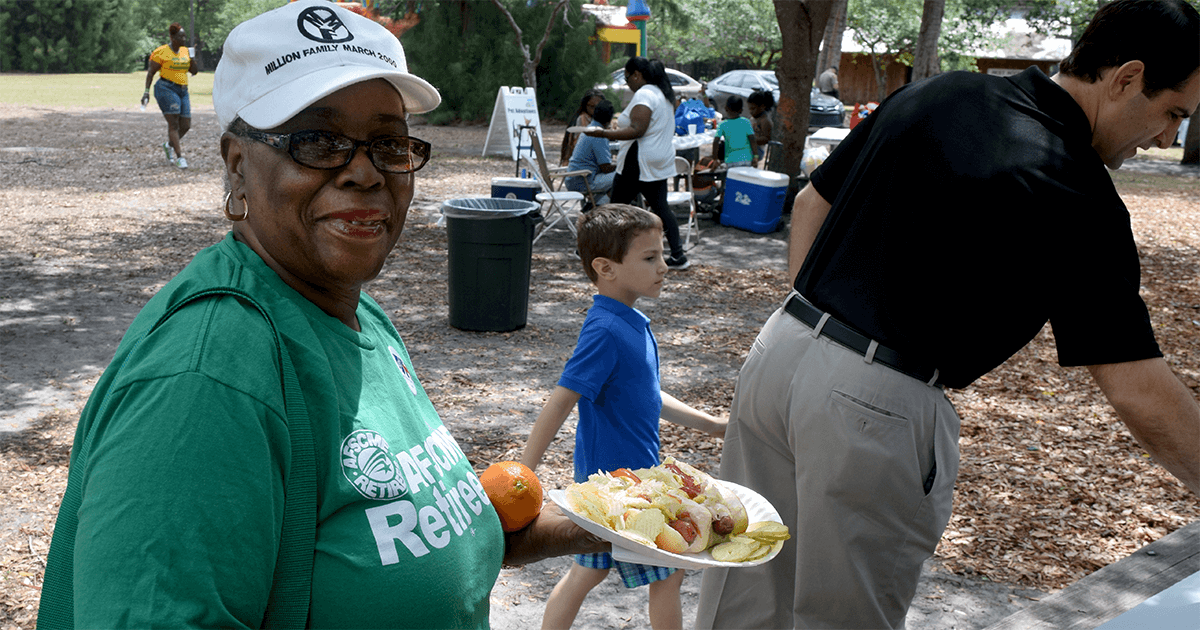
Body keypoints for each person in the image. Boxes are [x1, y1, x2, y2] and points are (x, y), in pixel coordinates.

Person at [37, 2, 604, 628]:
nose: (363, 171)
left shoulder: (358, 317)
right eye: (316, 141)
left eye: (388, 143)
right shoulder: (205, 381)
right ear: (237, 164)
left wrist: (608, 525)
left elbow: (401, 537)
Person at [696, 1, 1200, 629]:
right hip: (874, 403)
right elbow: (1137, 389)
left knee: (742, 601)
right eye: (1172, 113)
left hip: (780, 350)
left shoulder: (938, 92)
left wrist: (821, 337)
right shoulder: (1074, 188)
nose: (1166, 138)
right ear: (1126, 77)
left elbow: (809, 204)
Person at [521, 203, 727, 630]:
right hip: (618, 491)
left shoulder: (631, 321)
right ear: (605, 267)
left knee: (588, 572)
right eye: (650, 258)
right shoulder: (604, 330)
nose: (664, 266)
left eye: (662, 254)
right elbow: (561, 400)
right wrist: (523, 472)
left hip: (633, 482)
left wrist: (713, 424)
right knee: (669, 575)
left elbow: (647, 395)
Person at [583, 57, 691, 270]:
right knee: (660, 207)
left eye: (627, 78)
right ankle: (678, 255)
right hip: (657, 160)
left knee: (615, 207)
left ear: (637, 75)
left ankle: (601, 251)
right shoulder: (663, 94)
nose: (627, 84)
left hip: (638, 160)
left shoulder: (645, 94)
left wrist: (603, 133)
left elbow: (637, 129)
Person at [141, 22, 199, 169]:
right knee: (173, 124)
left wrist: (192, 59)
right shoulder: (161, 52)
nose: (184, 39)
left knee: (185, 125)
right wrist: (146, 92)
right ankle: (180, 157)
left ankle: (169, 145)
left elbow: (194, 72)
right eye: (181, 36)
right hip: (166, 88)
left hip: (183, 90)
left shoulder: (186, 51)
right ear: (173, 38)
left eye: (185, 36)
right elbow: (150, 73)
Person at [565, 99, 617, 206]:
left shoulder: (590, 128)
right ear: (609, 119)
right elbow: (606, 167)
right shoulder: (599, 134)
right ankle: (597, 208)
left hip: (574, 178)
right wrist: (621, 165)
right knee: (625, 176)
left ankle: (594, 204)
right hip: (584, 181)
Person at [561, 89, 604, 165]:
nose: (595, 110)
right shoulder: (582, 119)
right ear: (585, 105)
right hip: (584, 163)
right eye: (591, 106)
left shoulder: (604, 120)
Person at [711, 95, 756, 168]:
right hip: (747, 159)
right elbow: (752, 139)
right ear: (741, 110)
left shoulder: (722, 124)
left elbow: (716, 141)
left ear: (726, 108)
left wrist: (715, 159)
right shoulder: (746, 122)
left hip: (731, 160)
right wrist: (755, 156)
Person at [747, 89, 775, 165]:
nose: (751, 111)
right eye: (750, 109)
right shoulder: (753, 119)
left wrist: (751, 140)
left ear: (762, 107)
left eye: (753, 108)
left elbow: (766, 139)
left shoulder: (765, 121)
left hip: (758, 150)